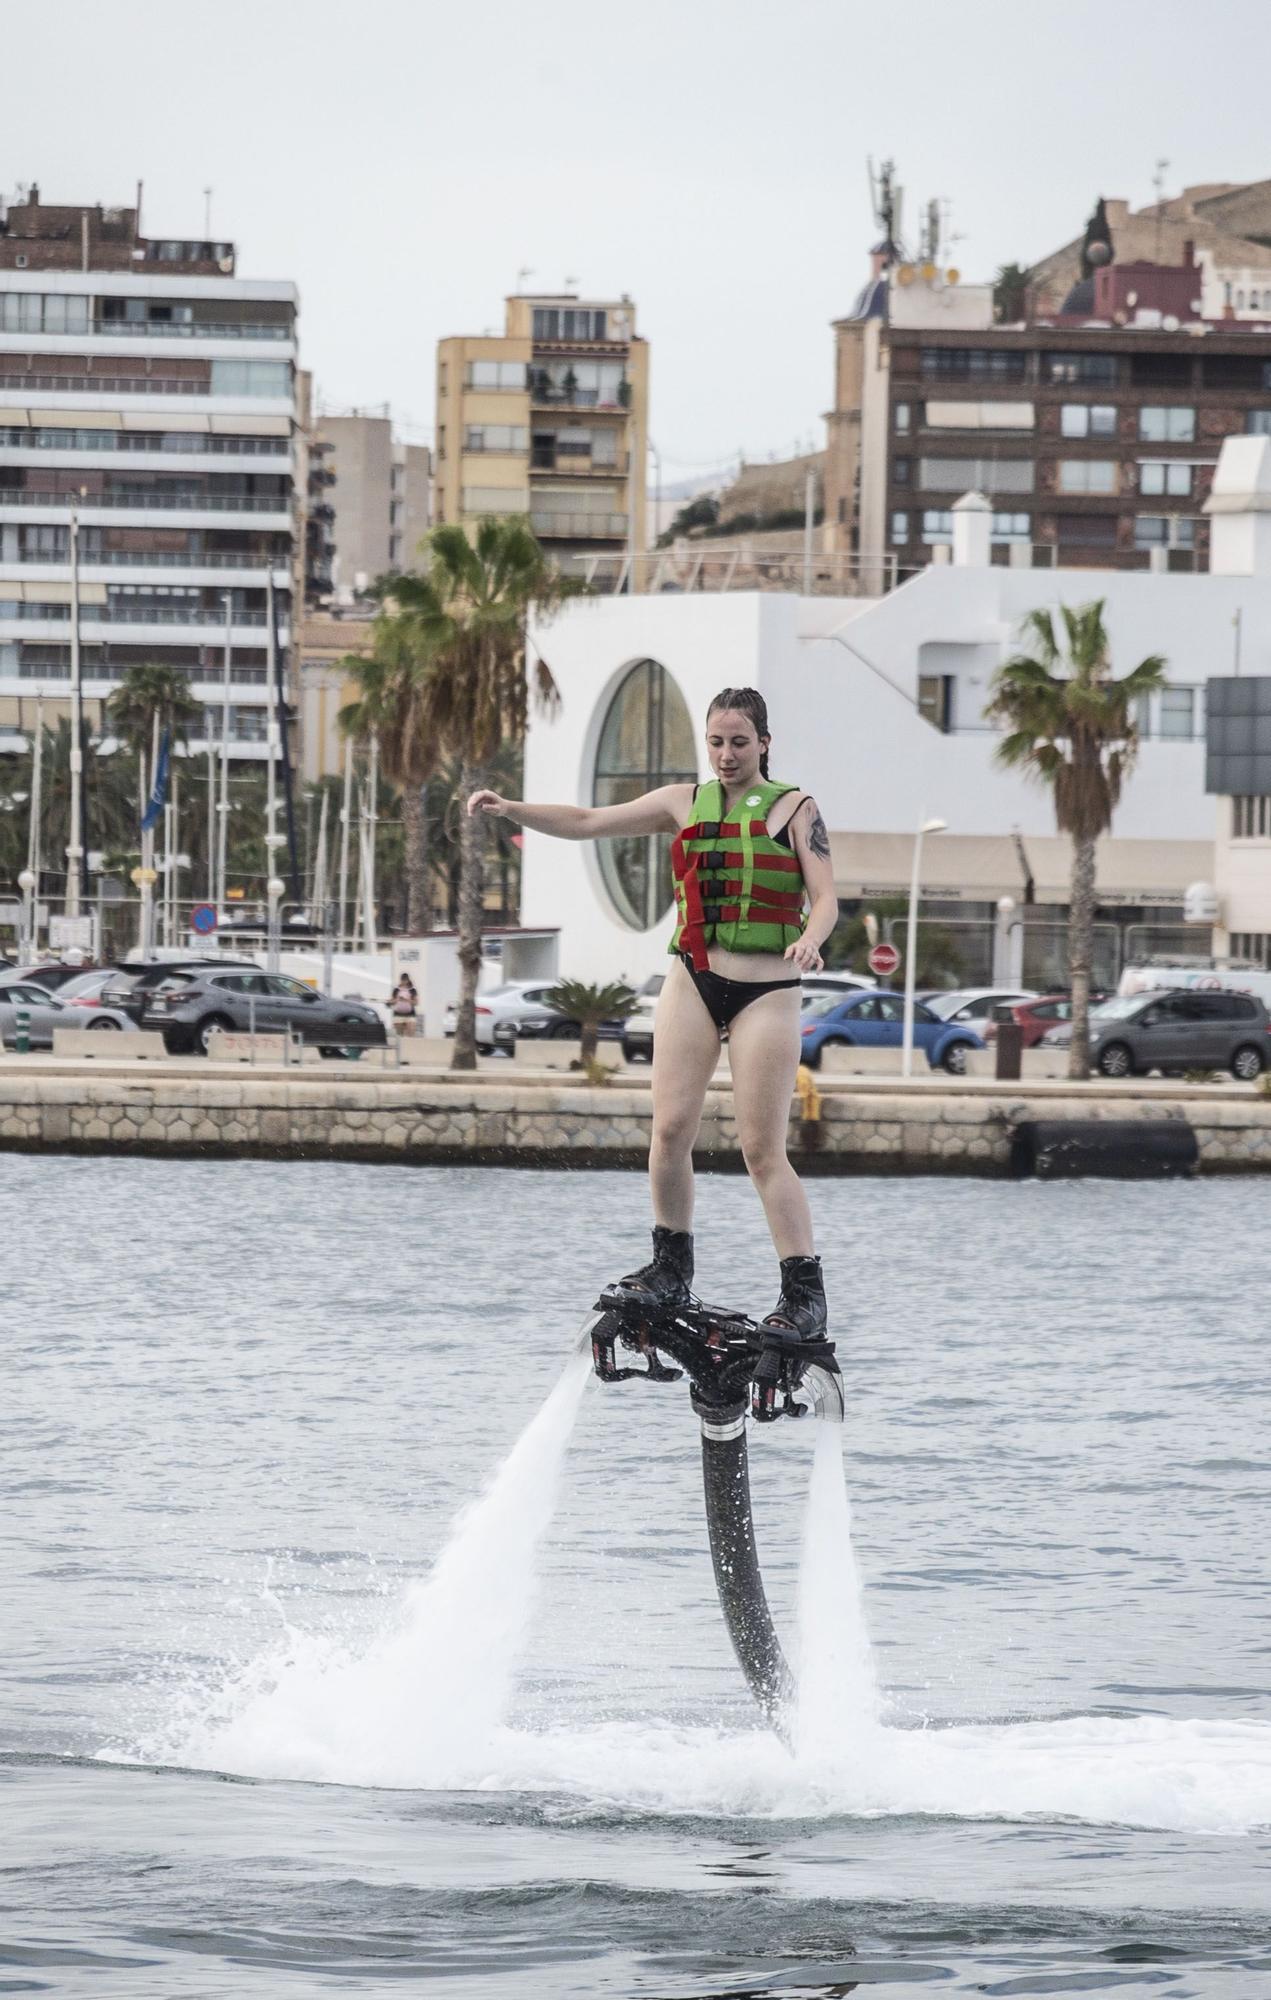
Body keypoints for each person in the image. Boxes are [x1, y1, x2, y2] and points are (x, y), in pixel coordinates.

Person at [467, 686, 839, 1338]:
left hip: (767, 991)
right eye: (717, 742)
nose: (726, 755)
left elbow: (827, 896)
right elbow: (586, 821)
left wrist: (811, 938)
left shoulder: (795, 809)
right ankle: (670, 1269)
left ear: (764, 743)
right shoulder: (680, 802)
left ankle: (803, 1296)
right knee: (668, 1132)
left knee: (760, 1150)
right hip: (693, 976)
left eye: (739, 743)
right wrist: (510, 809)